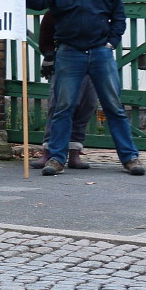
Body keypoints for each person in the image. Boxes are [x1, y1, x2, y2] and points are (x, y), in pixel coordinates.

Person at [16, 0, 145, 176]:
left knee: (114, 107)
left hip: (100, 53)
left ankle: (130, 158)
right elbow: (36, 2)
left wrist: (111, 43)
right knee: (63, 107)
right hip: (69, 53)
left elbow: (118, 16)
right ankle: (56, 158)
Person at [30, 9, 97, 170]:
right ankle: (49, 152)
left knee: (85, 106)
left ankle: (74, 153)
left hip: (93, 59)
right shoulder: (56, 10)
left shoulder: (96, 7)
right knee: (59, 107)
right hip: (65, 61)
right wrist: (49, 57)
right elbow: (45, 39)